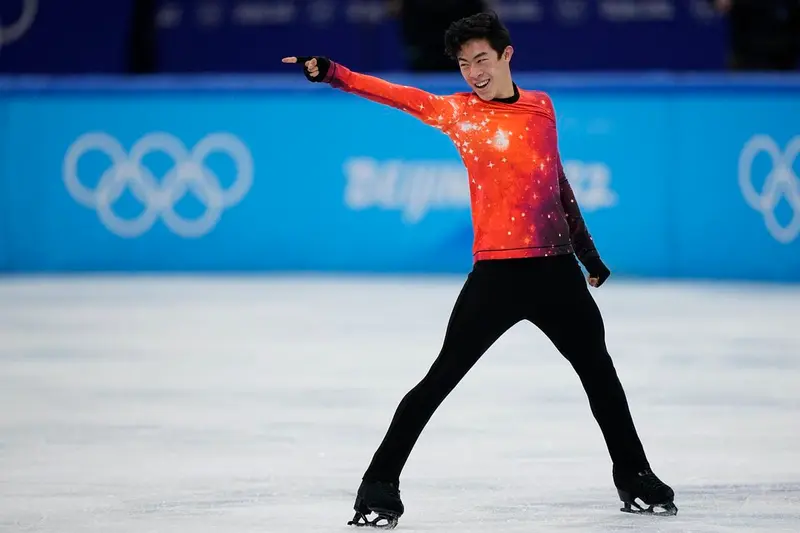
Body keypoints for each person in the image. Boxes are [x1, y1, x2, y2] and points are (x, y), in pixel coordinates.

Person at [283, 11, 677, 528]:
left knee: (601, 376)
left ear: (506, 54)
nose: (474, 72)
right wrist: (335, 73)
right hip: (497, 278)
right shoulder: (457, 112)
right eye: (465, 64)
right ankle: (378, 488)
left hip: (557, 271)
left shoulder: (542, 108)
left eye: (482, 59)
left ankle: (635, 476)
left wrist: (589, 256)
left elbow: (557, 185)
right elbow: (396, 95)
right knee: (438, 380)